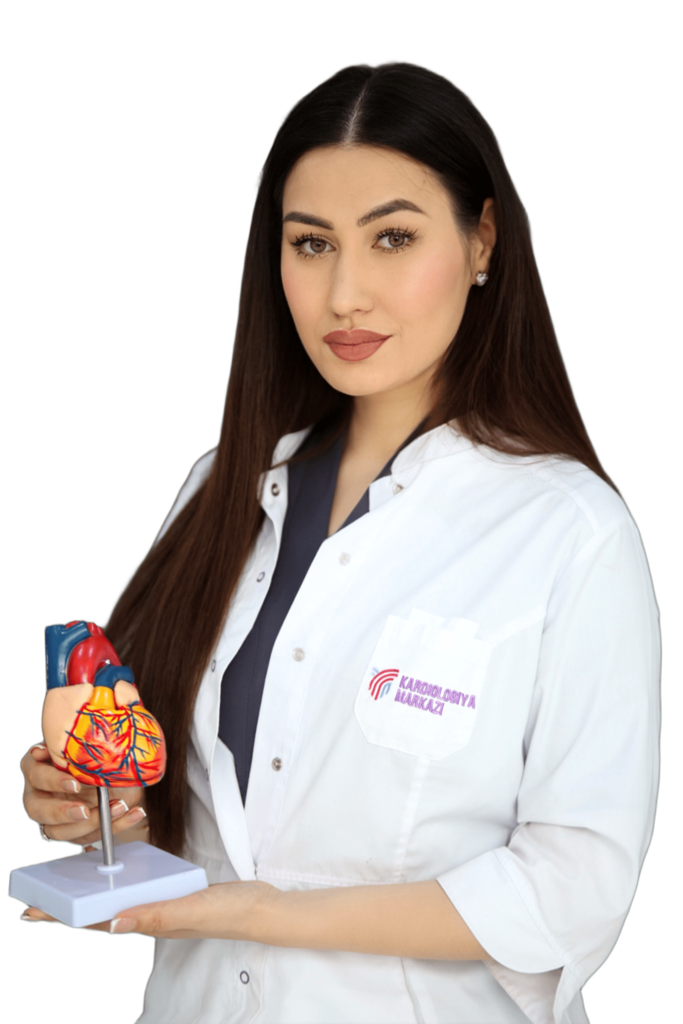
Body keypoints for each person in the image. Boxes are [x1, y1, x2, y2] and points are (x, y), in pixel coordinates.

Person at [18, 59, 661, 1023]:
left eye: (392, 237)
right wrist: (102, 811)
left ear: (482, 240)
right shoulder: (220, 488)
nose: (345, 294)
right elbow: (197, 820)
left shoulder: (567, 531)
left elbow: (572, 891)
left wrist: (263, 913)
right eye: (311, 244)